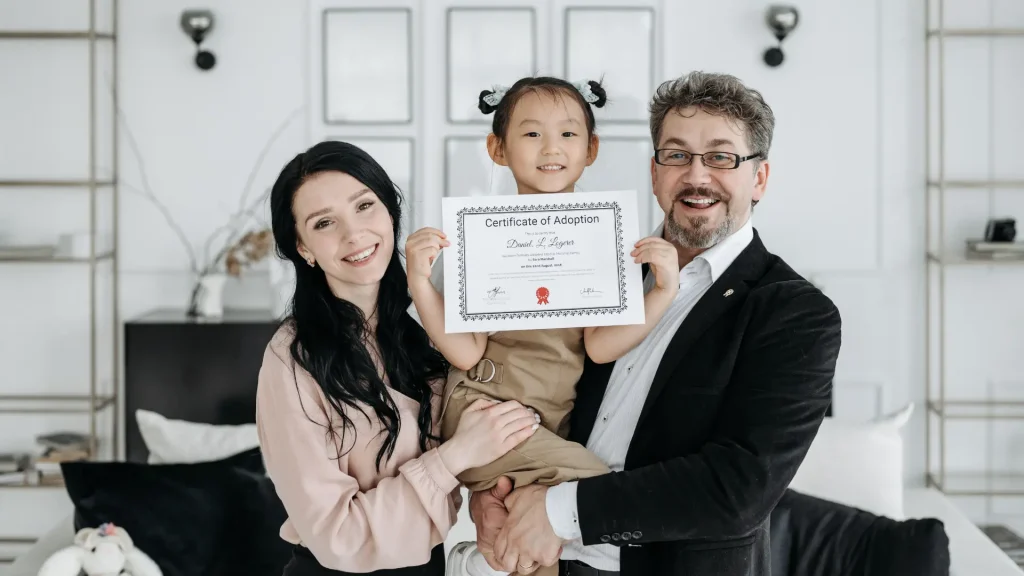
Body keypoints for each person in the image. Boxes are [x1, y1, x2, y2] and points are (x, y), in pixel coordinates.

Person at [468, 71, 843, 576]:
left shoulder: (796, 314)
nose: (697, 175)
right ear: (654, 171)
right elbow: (527, 379)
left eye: (721, 157)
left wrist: (555, 513)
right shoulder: (591, 266)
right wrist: (493, 495)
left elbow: (738, 490)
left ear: (759, 178)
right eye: (677, 154)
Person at [403, 76, 681, 576]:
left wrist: (662, 291)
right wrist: (421, 283)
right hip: (483, 415)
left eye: (569, 135)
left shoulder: (604, 241)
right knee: (602, 493)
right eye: (532, 134)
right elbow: (465, 354)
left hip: (544, 425)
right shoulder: (480, 237)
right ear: (497, 148)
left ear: (591, 149)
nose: (552, 148)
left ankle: (481, 563)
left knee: (541, 547)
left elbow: (600, 347)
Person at [255, 140, 541, 576]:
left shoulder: (430, 329)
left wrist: (487, 499)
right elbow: (339, 536)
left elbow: (471, 440)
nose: (354, 235)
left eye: (365, 206)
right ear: (303, 248)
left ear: (390, 210)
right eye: (325, 222)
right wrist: (453, 458)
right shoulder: (292, 359)